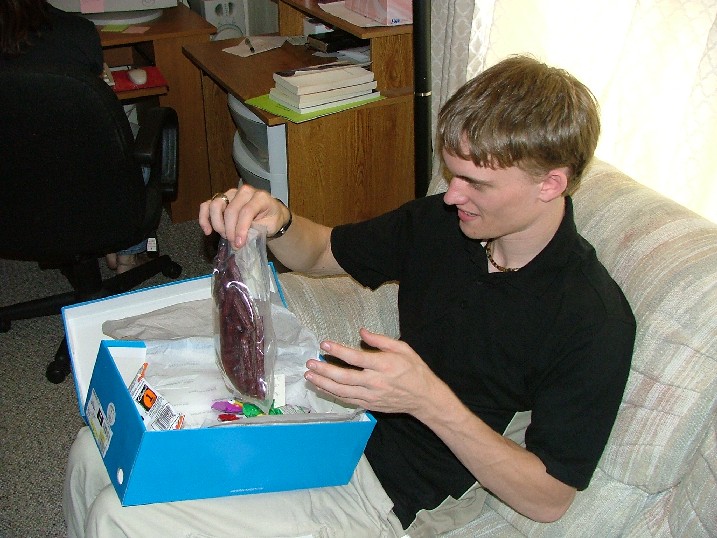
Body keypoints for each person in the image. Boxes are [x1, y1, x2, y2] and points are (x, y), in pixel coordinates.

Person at [63, 55, 636, 537]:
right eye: (451, 174)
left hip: (386, 496)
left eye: (474, 184)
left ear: (550, 184)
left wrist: (427, 400)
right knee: (98, 449)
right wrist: (277, 219)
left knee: (120, 516)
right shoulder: (445, 225)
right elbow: (322, 251)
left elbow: (548, 498)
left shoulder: (590, 318)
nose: (450, 195)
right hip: (333, 432)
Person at [1, 0, 150, 274]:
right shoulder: (76, 31)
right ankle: (127, 256)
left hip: (13, 193)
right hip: (81, 178)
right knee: (140, 135)